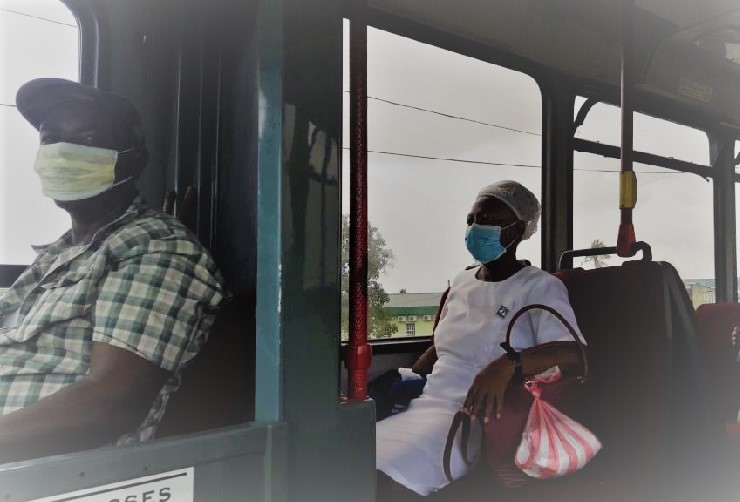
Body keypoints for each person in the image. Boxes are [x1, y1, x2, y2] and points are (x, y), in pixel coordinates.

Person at [0, 78, 224, 462]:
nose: (61, 153)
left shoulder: (156, 248)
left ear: (133, 161)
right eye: (50, 139)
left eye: (86, 141)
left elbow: (107, 405)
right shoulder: (55, 256)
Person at [376, 180, 586, 499]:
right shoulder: (461, 282)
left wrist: (505, 365)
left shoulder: (539, 287)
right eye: (472, 219)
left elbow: (574, 353)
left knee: (387, 468)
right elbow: (443, 345)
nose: (476, 227)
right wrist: (411, 375)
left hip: (476, 418)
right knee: (351, 450)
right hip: (425, 403)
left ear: (516, 232)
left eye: (487, 221)